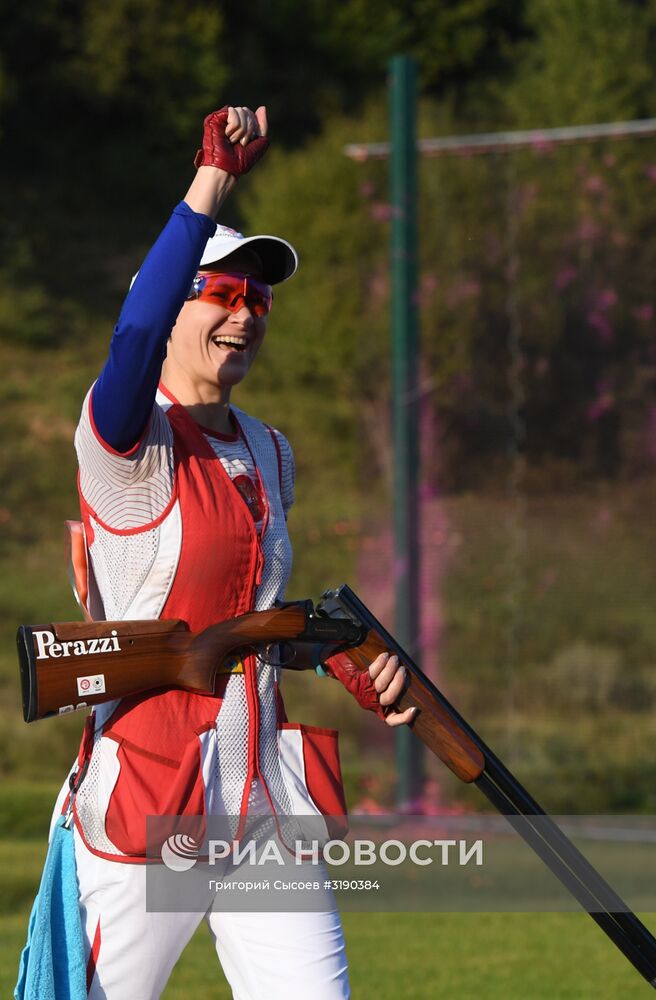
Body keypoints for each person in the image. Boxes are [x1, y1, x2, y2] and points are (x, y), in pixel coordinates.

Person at [38, 103, 415, 1000]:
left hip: (260, 806)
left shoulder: (270, 449)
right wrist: (213, 178)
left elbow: (248, 621)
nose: (246, 315)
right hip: (149, 800)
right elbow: (131, 338)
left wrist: (343, 660)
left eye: (259, 300)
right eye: (222, 295)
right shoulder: (124, 442)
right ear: (173, 305)